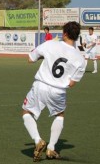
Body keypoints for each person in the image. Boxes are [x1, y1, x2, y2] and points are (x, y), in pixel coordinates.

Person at [21, 21, 86, 162]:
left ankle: (38, 140)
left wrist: (47, 54)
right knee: (60, 115)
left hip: (40, 85)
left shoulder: (50, 43)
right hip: (58, 90)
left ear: (65, 33)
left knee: (26, 112)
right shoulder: (80, 59)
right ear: (76, 37)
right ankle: (51, 148)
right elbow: (72, 83)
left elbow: (30, 59)